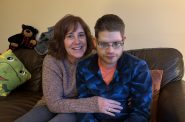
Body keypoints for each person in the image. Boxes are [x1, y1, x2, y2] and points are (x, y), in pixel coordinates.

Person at [15, 14, 123, 122]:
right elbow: (54, 104)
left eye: (81, 35)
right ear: (61, 41)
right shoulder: (52, 60)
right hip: (52, 105)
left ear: (87, 38)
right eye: (70, 36)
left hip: (81, 107)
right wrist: (94, 103)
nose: (77, 41)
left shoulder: (96, 57)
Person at [76, 14, 152, 122]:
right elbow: (83, 106)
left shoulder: (138, 67)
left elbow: (141, 111)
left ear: (123, 40)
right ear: (94, 42)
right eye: (103, 44)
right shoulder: (83, 67)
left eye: (116, 43)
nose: (110, 50)